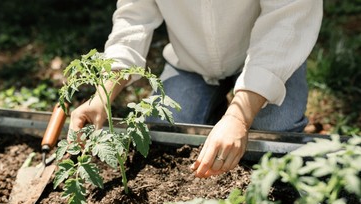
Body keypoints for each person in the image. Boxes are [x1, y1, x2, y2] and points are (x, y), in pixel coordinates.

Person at [68, 0, 323, 178]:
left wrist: (239, 116)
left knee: (274, 141)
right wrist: (103, 94)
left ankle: (230, 114)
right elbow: (133, 17)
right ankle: (217, 118)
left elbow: (287, 21)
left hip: (269, 58)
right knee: (161, 137)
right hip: (191, 63)